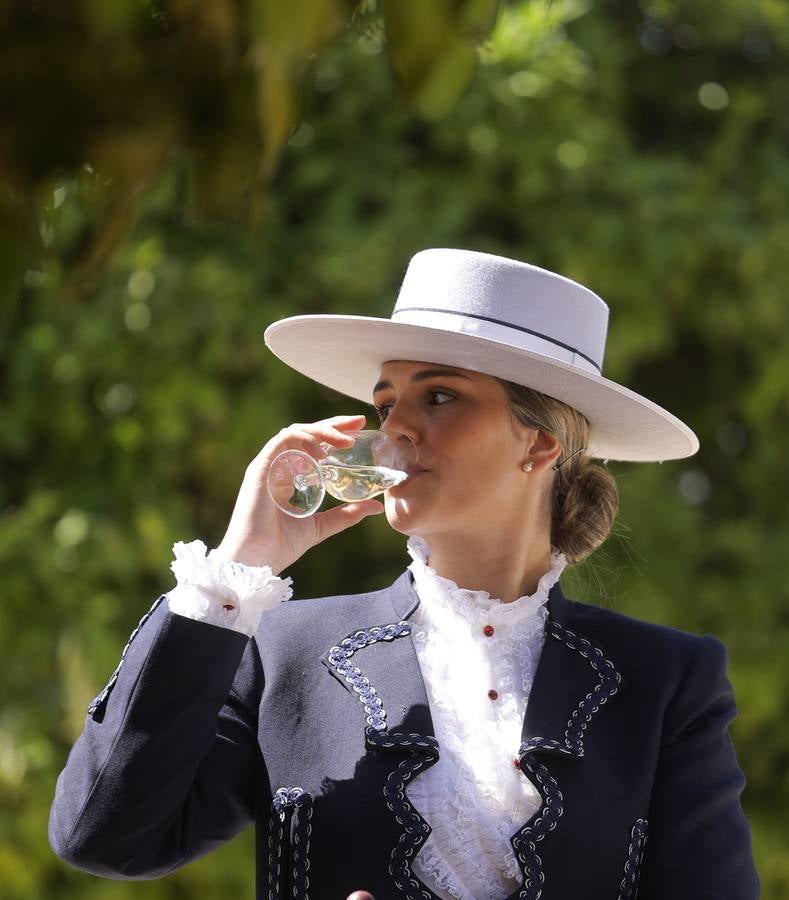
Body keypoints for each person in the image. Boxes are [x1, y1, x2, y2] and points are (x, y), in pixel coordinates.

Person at [49, 249, 759, 899]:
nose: (395, 428)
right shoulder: (281, 651)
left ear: (539, 442)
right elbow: (103, 837)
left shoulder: (667, 681)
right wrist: (241, 562)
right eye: (386, 404)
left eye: (439, 396)